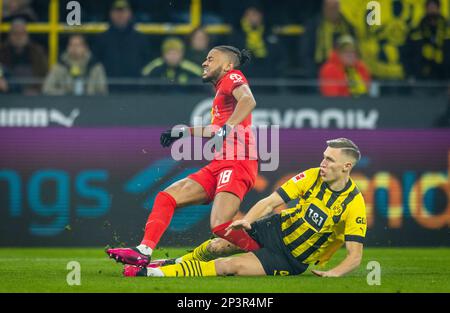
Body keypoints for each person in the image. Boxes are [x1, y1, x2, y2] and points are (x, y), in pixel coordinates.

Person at [123, 138, 367, 278]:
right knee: (218, 244)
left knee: (229, 266)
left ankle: (153, 275)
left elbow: (355, 256)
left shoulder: (353, 204)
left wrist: (334, 273)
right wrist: (248, 221)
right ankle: (169, 264)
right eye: (324, 156)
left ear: (346, 167)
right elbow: (270, 201)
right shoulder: (313, 175)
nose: (322, 163)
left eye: (330, 160)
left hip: (289, 258)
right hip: (274, 229)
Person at [107, 45, 259, 267]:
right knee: (166, 197)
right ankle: (144, 250)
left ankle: (266, 249)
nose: (204, 63)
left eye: (210, 59)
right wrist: (183, 131)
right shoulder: (221, 92)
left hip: (238, 162)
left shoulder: (233, 76)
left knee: (219, 226)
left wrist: (228, 127)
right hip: (220, 163)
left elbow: (249, 101)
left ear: (227, 65)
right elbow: (215, 130)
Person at [299, 0, 355, 78]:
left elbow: (355, 52)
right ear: (324, 8)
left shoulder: (347, 27)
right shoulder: (313, 27)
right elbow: (305, 53)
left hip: (344, 72)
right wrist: (314, 73)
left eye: (335, 8)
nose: (332, 11)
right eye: (330, 8)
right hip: (317, 71)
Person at [94, 0, 150, 78]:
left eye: (123, 11)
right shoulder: (102, 38)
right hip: (108, 87)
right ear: (111, 14)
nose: (120, 15)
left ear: (130, 13)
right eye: (117, 11)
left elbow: (147, 65)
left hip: (135, 88)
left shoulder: (140, 38)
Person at [42, 34, 108, 95]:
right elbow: (47, 89)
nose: (74, 48)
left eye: (78, 45)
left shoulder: (96, 67)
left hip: (90, 104)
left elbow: (102, 91)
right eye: (71, 45)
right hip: (65, 105)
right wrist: (66, 94)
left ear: (85, 47)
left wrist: (88, 95)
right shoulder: (59, 67)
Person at [232, 6, 285, 78]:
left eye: (254, 14)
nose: (251, 18)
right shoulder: (237, 34)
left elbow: (280, 55)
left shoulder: (269, 32)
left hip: (270, 73)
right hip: (246, 75)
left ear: (260, 16)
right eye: (248, 15)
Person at [403, 0, 450, 82]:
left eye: (434, 7)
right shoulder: (417, 29)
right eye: (430, 7)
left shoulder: (447, 29)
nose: (432, 10)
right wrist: (410, 74)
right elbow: (408, 54)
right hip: (421, 76)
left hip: (443, 78)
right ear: (425, 9)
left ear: (439, 9)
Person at [0, 18, 47, 95]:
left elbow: (44, 75)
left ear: (27, 34)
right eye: (15, 33)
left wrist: (37, 89)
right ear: (9, 35)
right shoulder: (2, 52)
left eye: (22, 33)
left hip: (33, 95)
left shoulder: (37, 52)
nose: (19, 37)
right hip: (8, 94)